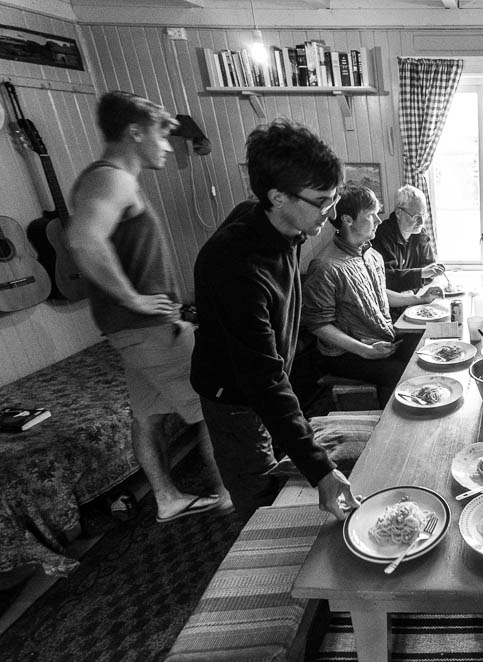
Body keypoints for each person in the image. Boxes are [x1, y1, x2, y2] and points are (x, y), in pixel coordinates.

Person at [66, 91, 231, 523]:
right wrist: (134, 298)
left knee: (147, 416)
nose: (165, 144)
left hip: (132, 332)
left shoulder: (107, 178)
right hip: (148, 329)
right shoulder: (111, 178)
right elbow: (84, 239)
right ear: (135, 131)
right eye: (161, 133)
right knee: (216, 407)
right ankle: (233, 496)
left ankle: (166, 498)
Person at [190, 119, 360, 519]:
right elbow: (262, 381)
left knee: (287, 467)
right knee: (259, 501)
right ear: (278, 196)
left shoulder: (279, 222)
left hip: (266, 378)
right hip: (233, 399)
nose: (331, 213)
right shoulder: (234, 264)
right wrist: (321, 471)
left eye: (333, 199)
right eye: (322, 201)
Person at [301, 185, 442, 406]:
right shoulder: (325, 266)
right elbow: (318, 325)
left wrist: (418, 299)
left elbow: (378, 293)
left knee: (431, 351)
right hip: (346, 355)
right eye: (371, 215)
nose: (378, 220)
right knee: (410, 377)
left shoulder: (371, 253)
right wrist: (365, 351)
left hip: (381, 339)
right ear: (347, 220)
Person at [371, 185, 445, 293]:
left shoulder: (419, 232)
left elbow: (430, 269)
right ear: (398, 213)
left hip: (411, 297)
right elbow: (386, 278)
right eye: (415, 216)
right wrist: (420, 274)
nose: (421, 222)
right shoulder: (382, 236)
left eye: (423, 215)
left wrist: (412, 290)